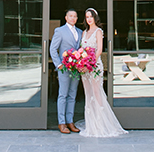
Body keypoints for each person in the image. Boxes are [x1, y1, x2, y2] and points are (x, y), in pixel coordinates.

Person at [75, 8, 127, 138]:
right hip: (84, 67)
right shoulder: (84, 32)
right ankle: (91, 124)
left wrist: (90, 63)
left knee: (97, 92)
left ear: (95, 18)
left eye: (91, 16)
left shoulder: (98, 31)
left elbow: (99, 50)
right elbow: (81, 49)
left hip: (94, 65)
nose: (89, 19)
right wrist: (81, 62)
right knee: (88, 93)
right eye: (87, 17)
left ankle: (100, 123)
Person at [49, 8, 82, 134]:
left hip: (76, 68)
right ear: (66, 18)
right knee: (62, 94)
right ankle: (61, 123)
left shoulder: (79, 32)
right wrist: (59, 65)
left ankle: (70, 121)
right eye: (71, 16)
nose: (73, 18)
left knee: (72, 95)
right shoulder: (60, 31)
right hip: (64, 68)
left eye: (75, 16)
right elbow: (53, 49)